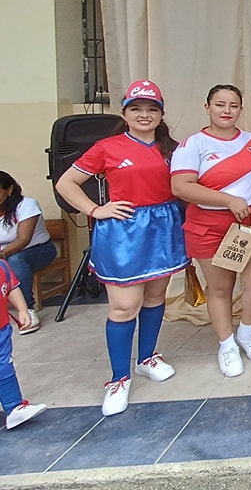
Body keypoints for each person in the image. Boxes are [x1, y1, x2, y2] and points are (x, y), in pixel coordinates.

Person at [56, 80, 188, 416]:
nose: (144, 115)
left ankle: (146, 358)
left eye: (152, 109)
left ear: (161, 114)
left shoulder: (173, 148)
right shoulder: (107, 147)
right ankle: (119, 378)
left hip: (164, 227)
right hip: (124, 233)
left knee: (155, 297)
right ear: (124, 113)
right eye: (136, 108)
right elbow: (66, 183)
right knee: (124, 306)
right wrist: (95, 210)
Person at [170, 84, 251, 378]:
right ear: (207, 107)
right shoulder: (193, 145)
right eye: (220, 104)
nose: (227, 110)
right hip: (210, 225)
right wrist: (228, 200)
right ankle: (226, 344)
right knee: (221, 288)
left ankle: (247, 333)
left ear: (241, 109)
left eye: (233, 105)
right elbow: (180, 187)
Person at [0, 172, 57, 334]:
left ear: (10, 189)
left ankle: (27, 310)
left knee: (15, 260)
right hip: (5, 254)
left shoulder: (26, 204)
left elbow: (23, 239)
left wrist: (2, 255)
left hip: (38, 250)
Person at [0, 258, 47, 428]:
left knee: (4, 366)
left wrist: (22, 310)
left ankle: (14, 407)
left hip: (1, 329)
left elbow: (12, 287)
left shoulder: (2, 266)